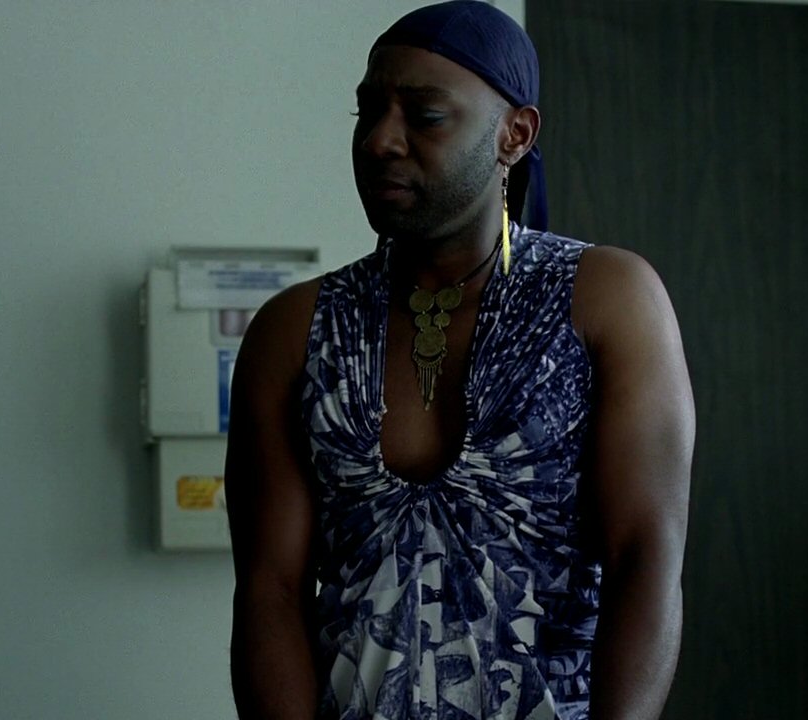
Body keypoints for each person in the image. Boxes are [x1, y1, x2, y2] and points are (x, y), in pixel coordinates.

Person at [225, 2, 694, 718]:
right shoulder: (293, 331)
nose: (380, 140)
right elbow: (270, 589)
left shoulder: (605, 300)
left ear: (515, 134)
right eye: (368, 111)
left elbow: (647, 557)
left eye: (425, 115)